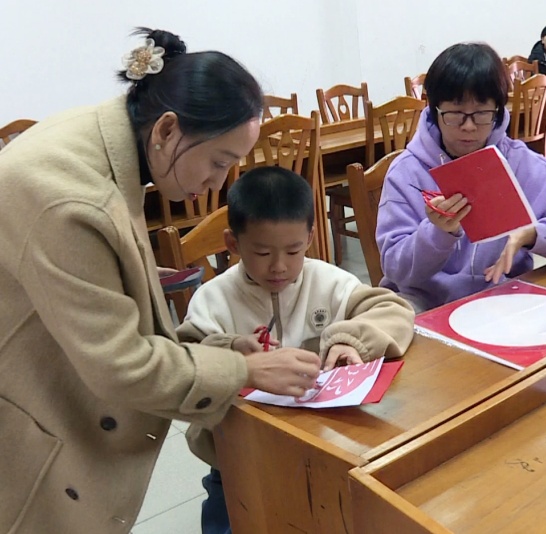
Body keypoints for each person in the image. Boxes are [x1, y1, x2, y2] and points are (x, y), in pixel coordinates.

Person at [0, 28, 320, 533]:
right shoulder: (68, 196)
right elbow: (121, 365)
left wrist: (127, 273)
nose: (218, 183)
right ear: (167, 129)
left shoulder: (107, 136)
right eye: (218, 162)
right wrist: (245, 370)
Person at [176, 166, 415, 533]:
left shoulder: (327, 280)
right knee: (231, 522)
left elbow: (394, 310)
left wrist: (351, 339)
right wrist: (231, 351)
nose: (279, 266)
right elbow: (184, 360)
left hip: (321, 447)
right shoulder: (213, 299)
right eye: (261, 252)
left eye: (293, 250)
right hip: (239, 456)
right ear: (233, 244)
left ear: (310, 238)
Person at [376, 42, 546, 312]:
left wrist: (533, 233)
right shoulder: (407, 172)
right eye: (455, 114)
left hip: (502, 301)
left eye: (482, 114)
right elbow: (396, 269)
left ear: (498, 112)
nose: (469, 126)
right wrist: (438, 232)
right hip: (427, 304)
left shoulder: (521, 163)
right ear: (434, 110)